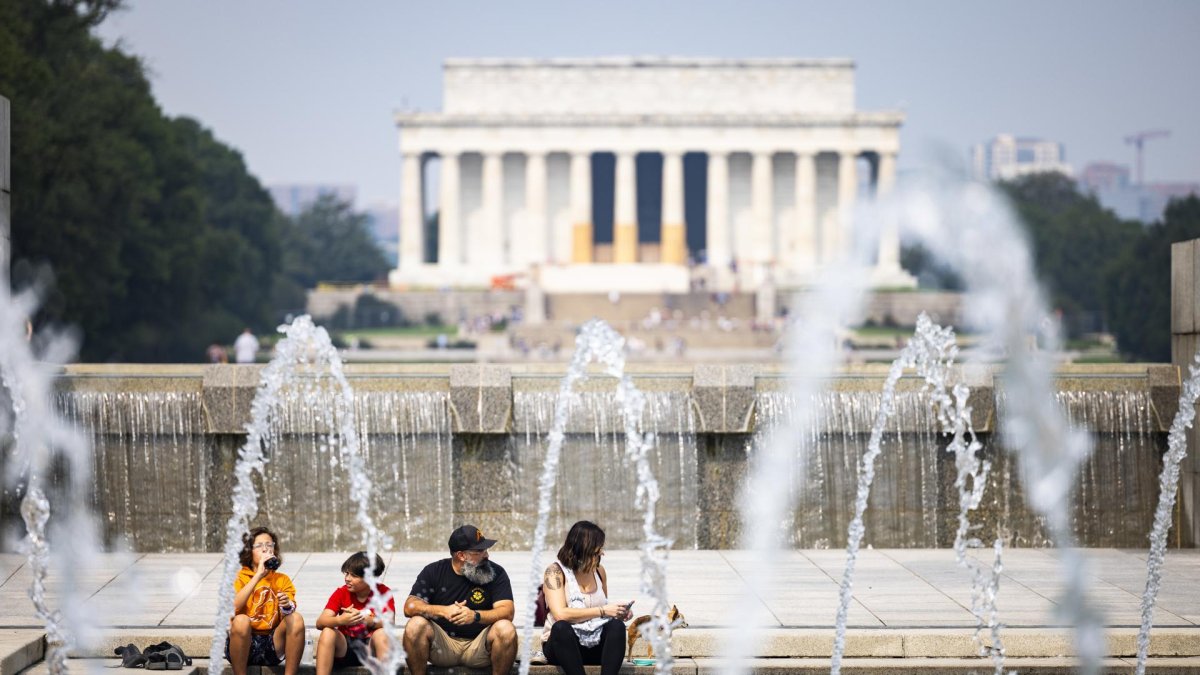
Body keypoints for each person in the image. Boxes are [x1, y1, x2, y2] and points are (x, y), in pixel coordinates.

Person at [402, 525, 517, 675]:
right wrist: (444, 611)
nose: (487, 555)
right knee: (415, 625)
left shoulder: (496, 572)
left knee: (506, 628)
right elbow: (409, 607)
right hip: (443, 647)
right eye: (479, 551)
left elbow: (507, 611)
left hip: (480, 647)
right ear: (461, 555)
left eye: (486, 550)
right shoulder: (433, 571)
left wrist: (475, 616)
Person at [541, 521, 631, 675]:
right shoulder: (555, 572)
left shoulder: (599, 571)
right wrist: (602, 611)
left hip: (595, 642)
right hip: (564, 646)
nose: (602, 553)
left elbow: (604, 613)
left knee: (617, 626)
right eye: (597, 549)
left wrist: (618, 612)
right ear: (583, 548)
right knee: (561, 628)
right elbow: (560, 614)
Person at [226, 526, 305, 675]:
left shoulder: (282, 579)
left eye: (269, 545)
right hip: (243, 643)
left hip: (272, 643)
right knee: (241, 620)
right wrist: (258, 576)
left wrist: (286, 604)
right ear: (248, 551)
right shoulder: (238, 578)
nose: (265, 549)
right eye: (259, 546)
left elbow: (290, 609)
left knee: (296, 618)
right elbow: (232, 607)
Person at [315, 552, 395, 675]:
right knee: (327, 632)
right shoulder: (341, 593)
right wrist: (340, 620)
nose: (347, 578)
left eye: (353, 575)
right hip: (345, 648)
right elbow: (320, 622)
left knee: (383, 634)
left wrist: (369, 620)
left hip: (371, 650)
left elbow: (390, 622)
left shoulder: (383, 592)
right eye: (347, 573)